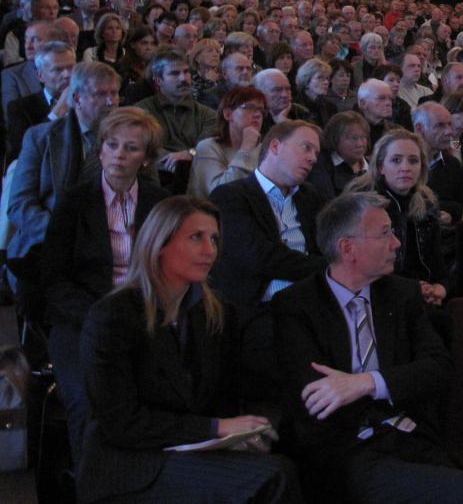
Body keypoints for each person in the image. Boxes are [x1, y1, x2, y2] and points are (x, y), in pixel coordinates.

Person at [268, 192, 463, 503]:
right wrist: (391, 385)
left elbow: (438, 367)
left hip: (411, 434)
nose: (397, 243)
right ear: (347, 248)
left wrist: (367, 383)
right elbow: (317, 397)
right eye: (385, 233)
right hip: (345, 446)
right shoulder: (297, 305)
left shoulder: (401, 294)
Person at [77, 196, 300, 503]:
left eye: (214, 239)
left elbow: (229, 393)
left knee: (292, 453)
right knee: (273, 476)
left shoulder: (214, 313)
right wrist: (216, 428)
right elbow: (122, 423)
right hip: (132, 464)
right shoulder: (112, 316)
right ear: (159, 243)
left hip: (190, 448)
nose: (210, 250)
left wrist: (235, 435)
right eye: (196, 237)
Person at [41, 107, 169, 464]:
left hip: (144, 312)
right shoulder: (75, 201)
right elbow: (52, 278)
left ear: (146, 158)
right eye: (112, 145)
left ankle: (150, 477)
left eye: (131, 148)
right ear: (99, 150)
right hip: (82, 317)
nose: (119, 155)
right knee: (88, 400)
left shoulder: (159, 203)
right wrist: (98, 315)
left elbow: (167, 268)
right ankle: (92, 480)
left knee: (162, 392)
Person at [9, 62, 120, 300]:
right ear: (77, 98)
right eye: (101, 94)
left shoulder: (127, 139)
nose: (111, 102)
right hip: (49, 242)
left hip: (112, 242)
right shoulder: (41, 137)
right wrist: (63, 235)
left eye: (114, 93)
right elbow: (20, 206)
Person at [209, 120, 328, 307]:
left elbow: (325, 243)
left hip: (310, 296)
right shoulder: (230, 196)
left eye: (316, 153)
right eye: (306, 148)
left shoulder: (310, 196)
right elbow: (257, 256)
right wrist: (329, 268)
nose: (313, 158)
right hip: (259, 305)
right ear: (275, 146)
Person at [346, 129, 448, 304]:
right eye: (396, 160)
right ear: (381, 167)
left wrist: (440, 288)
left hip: (424, 296)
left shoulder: (427, 203)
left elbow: (438, 265)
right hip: (378, 298)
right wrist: (412, 289)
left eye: (413, 161)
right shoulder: (361, 204)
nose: (405, 168)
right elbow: (359, 269)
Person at [134, 50, 219, 186]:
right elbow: (144, 146)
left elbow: (208, 146)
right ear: (158, 80)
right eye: (174, 73)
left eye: (186, 72)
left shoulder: (207, 114)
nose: (183, 79)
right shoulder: (141, 111)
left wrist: (190, 153)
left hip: (197, 176)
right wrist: (177, 161)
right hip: (156, 178)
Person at [188, 86, 265, 199]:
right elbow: (221, 195)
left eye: (261, 110)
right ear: (228, 114)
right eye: (249, 107)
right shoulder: (208, 147)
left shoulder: (264, 150)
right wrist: (246, 149)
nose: (258, 115)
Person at [306, 111, 370, 198]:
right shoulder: (321, 166)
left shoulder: (373, 166)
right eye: (353, 138)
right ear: (335, 139)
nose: (360, 144)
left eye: (363, 137)